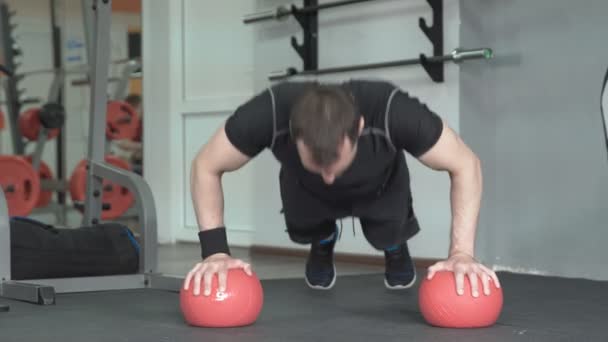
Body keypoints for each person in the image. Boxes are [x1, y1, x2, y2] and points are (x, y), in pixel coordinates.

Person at [184, 79, 500, 298]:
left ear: (359, 127)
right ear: (293, 135)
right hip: (305, 190)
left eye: (334, 163)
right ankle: (322, 238)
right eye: (318, 164)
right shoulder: (269, 112)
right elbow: (206, 166)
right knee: (306, 221)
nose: (330, 177)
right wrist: (215, 252)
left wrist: (462, 253)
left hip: (381, 185)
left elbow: (466, 164)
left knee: (388, 230)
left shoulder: (391, 110)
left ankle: (392, 244)